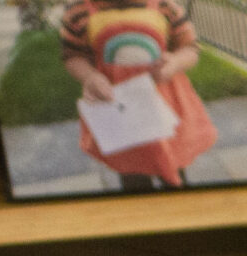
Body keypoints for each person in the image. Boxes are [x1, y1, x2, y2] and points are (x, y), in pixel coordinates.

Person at [57, 0, 218, 192]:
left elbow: (190, 48)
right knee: (131, 170)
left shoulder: (166, 7)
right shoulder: (79, 12)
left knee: (172, 168)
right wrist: (90, 77)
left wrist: (175, 62)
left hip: (163, 106)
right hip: (120, 109)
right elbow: (73, 55)